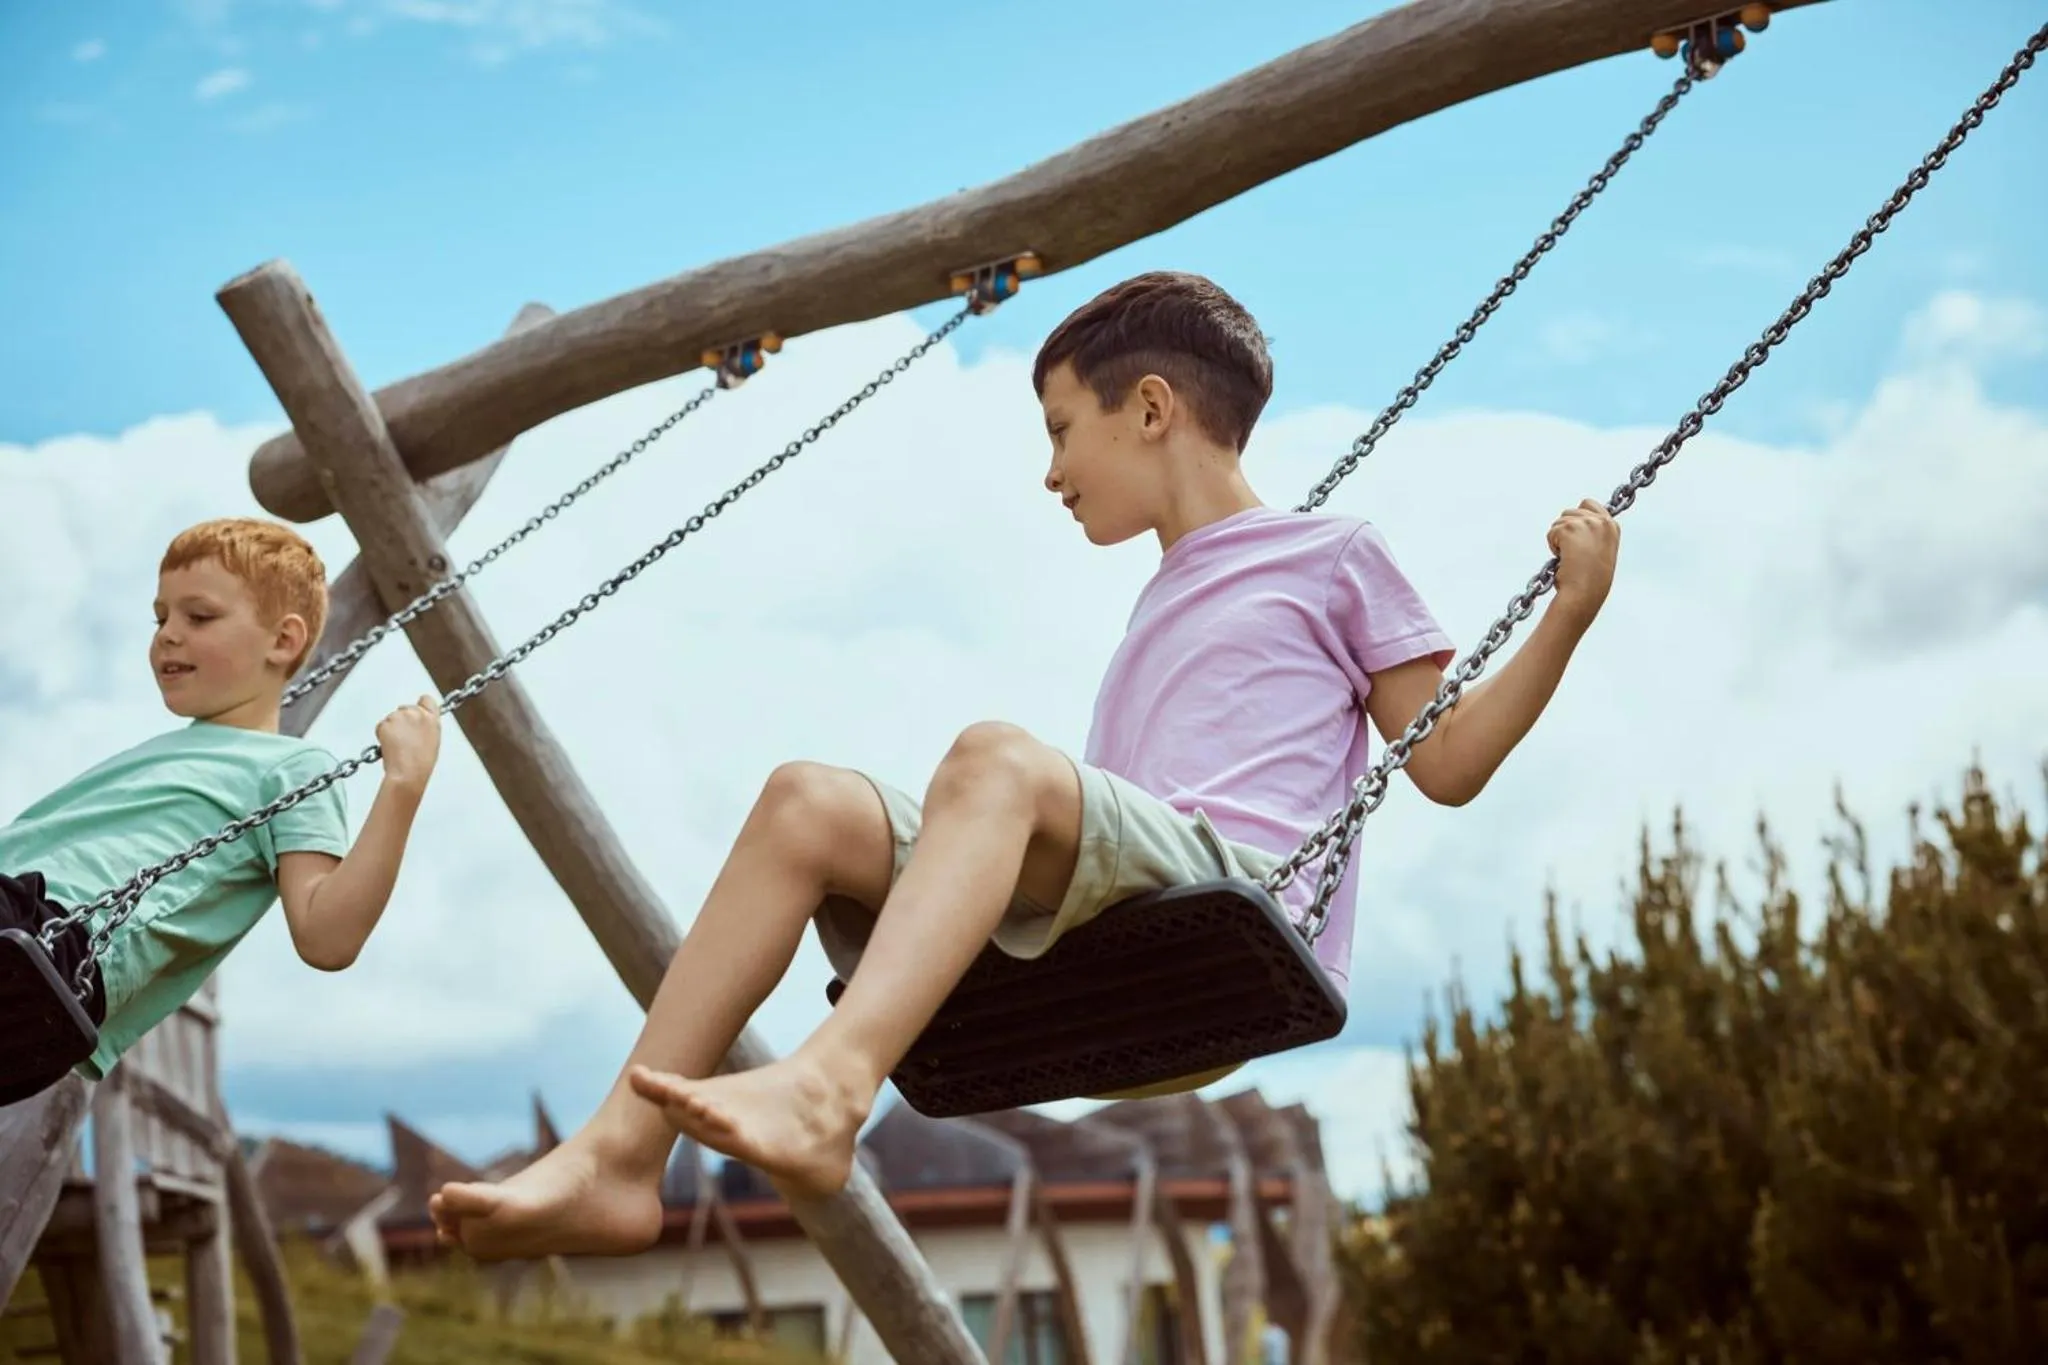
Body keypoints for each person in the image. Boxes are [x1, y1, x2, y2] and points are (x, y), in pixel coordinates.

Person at [427, 271, 1620, 1259]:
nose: (1050, 472)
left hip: (1235, 905)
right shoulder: (1165, 596)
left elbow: (1446, 758)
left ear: (1148, 407)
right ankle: (616, 1161)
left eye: (1060, 430)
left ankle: (831, 1086)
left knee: (995, 757)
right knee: (806, 802)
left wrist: (1564, 613)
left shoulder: (1331, 556)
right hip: (1111, 922)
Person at [0, 516, 444, 1090]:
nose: (167, 634)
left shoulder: (290, 768)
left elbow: (327, 937)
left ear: (282, 641)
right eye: (160, 618)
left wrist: (402, 785)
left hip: (50, 944)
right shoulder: (171, 749)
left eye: (199, 616)